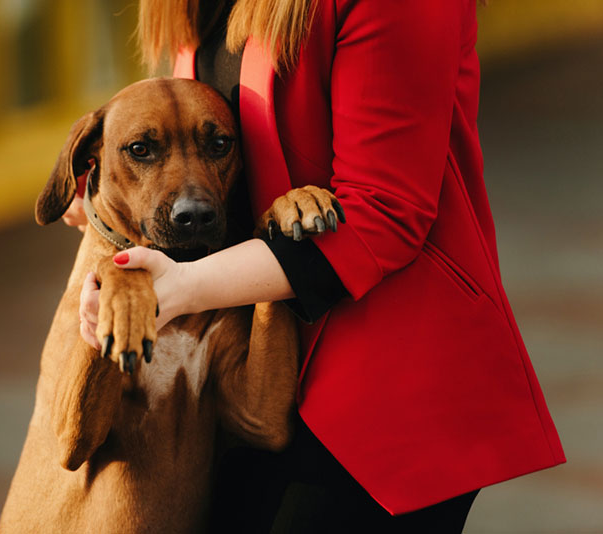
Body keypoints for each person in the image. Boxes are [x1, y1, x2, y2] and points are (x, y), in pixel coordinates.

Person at [66, 0, 566, 531]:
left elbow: (384, 212)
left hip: (383, 388)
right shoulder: (190, 6)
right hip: (261, 377)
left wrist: (184, 287)